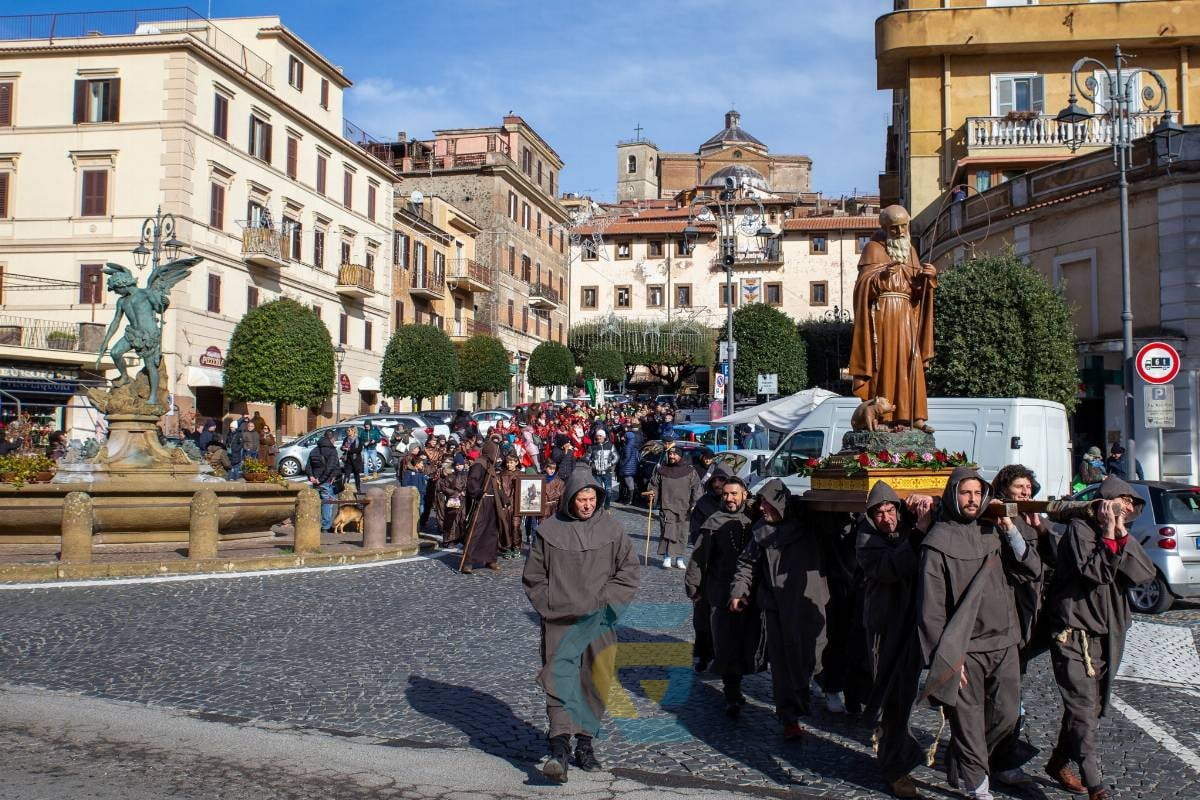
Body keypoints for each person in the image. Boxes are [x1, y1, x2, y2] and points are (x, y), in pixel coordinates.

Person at [917, 467, 1040, 800]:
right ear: (953, 495)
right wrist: (945, 663)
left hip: (1004, 639)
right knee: (968, 720)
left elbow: (1031, 570)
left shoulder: (994, 531)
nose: (972, 500)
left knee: (1006, 712)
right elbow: (930, 610)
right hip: (966, 649)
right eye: (965, 493)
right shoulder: (936, 542)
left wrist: (1012, 531)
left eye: (976, 493)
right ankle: (977, 786)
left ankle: (966, 759)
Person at [522, 468, 640, 784]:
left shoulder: (613, 530)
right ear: (570, 500)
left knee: (595, 679)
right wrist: (553, 606)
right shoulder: (549, 531)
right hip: (560, 621)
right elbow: (534, 577)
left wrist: (605, 606)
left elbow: (628, 573)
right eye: (581, 499)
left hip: (599, 621)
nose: (586, 505)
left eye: (591, 499)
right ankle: (559, 747)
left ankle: (585, 743)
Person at [1043, 476, 1155, 800]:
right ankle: (1096, 785)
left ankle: (1058, 761)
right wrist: (1107, 533)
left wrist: (1120, 534)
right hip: (1072, 633)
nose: (1130, 509)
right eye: (1126, 502)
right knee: (1081, 707)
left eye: (1133, 506)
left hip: (1104, 634)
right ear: (1110, 500)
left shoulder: (1121, 533)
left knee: (1088, 709)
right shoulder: (1080, 529)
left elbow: (1143, 574)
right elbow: (1096, 573)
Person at [729, 479, 828, 740]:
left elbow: (840, 526)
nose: (762, 507)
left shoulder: (809, 527)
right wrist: (739, 591)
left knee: (812, 657)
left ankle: (820, 692)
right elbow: (747, 564)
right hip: (776, 609)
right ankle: (790, 717)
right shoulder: (761, 532)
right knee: (782, 665)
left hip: (810, 604)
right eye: (760, 502)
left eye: (767, 502)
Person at [856, 482, 934, 799]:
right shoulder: (867, 540)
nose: (887, 518)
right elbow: (889, 568)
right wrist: (918, 531)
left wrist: (929, 504)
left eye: (891, 510)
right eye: (880, 513)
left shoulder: (908, 527)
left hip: (914, 624)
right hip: (885, 627)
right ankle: (894, 768)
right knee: (892, 699)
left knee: (907, 694)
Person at [849, 205, 938, 433]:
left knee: (911, 361)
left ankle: (914, 417)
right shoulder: (873, 248)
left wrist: (928, 278)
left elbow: (918, 292)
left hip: (907, 315)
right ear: (885, 228)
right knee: (886, 363)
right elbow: (862, 287)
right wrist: (881, 276)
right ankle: (885, 417)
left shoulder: (911, 251)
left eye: (903, 227)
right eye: (894, 228)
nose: (899, 232)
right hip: (883, 314)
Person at [685, 476, 766, 717]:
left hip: (750, 592)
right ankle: (731, 693)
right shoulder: (714, 522)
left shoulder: (754, 521)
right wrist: (694, 585)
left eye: (734, 494)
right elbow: (700, 558)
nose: (729, 499)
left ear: (744, 495)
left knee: (747, 641)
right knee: (726, 643)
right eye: (725, 495)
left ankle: (737, 685)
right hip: (720, 592)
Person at [687, 463, 733, 673]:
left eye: (721, 481)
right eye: (715, 480)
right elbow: (696, 532)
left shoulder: (736, 503)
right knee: (703, 615)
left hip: (728, 568)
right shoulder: (704, 504)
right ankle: (702, 654)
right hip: (706, 564)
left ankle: (723, 656)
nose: (717, 484)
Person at [648, 444, 701, 569]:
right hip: (667, 506)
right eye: (670, 454)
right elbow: (654, 484)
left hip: (684, 507)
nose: (671, 456)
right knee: (668, 533)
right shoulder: (661, 470)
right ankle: (667, 557)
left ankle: (679, 558)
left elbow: (697, 488)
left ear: (680, 456)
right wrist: (652, 494)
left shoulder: (690, 471)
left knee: (682, 534)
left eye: (674, 454)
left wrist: (694, 504)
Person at [460, 441, 503, 575]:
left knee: (492, 531)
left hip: (492, 502)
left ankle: (490, 559)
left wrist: (504, 500)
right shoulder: (479, 464)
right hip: (482, 502)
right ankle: (468, 561)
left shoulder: (490, 466)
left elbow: (496, 486)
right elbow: (472, 481)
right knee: (476, 531)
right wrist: (478, 493)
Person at [307, 430, 341, 533]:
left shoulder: (314, 450)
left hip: (315, 480)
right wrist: (320, 480)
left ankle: (313, 523)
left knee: (315, 502)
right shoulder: (332, 451)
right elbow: (330, 468)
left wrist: (311, 476)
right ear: (332, 439)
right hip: (326, 481)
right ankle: (325, 526)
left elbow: (308, 465)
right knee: (327, 503)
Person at [436, 455, 468, 549]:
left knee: (462, 519)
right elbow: (444, 487)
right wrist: (455, 493)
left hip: (464, 501)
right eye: (457, 465)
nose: (459, 466)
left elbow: (470, 486)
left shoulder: (467, 475)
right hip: (453, 500)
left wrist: (465, 492)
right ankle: (450, 540)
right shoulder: (450, 476)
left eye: (460, 465)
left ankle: (461, 538)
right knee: (451, 520)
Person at [585, 428, 618, 510]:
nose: (598, 437)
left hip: (607, 472)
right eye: (597, 436)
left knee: (608, 491)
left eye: (600, 436)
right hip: (596, 473)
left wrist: (610, 464)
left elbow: (616, 457)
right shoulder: (592, 447)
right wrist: (592, 464)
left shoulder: (610, 445)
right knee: (598, 491)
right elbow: (587, 457)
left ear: (604, 436)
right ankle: (598, 506)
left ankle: (607, 506)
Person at [618, 428, 641, 505]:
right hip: (632, 467)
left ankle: (629, 500)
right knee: (629, 484)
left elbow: (626, 457)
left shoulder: (628, 446)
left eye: (624, 437)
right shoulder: (634, 446)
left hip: (627, 468)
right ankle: (628, 499)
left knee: (629, 484)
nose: (623, 438)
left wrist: (621, 464)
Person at [341, 426, 365, 495]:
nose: (347, 432)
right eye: (347, 430)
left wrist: (349, 449)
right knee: (346, 475)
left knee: (356, 475)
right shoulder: (346, 439)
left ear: (353, 431)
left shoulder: (358, 439)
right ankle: (344, 488)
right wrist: (343, 448)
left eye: (349, 430)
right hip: (348, 460)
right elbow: (342, 447)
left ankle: (358, 489)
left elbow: (359, 449)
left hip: (356, 460)